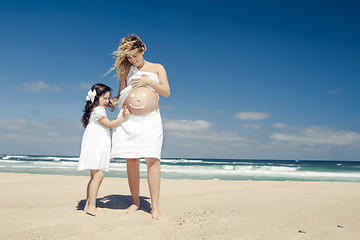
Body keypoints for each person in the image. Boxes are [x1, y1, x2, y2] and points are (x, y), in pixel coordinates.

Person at [109, 34, 170, 220]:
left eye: (135, 56)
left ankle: (155, 207)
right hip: (129, 121)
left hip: (151, 119)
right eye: (129, 57)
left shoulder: (158, 68)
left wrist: (149, 82)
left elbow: (166, 92)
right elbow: (120, 95)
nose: (132, 60)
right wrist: (103, 103)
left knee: (153, 159)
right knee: (131, 160)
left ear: (143, 50)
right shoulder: (126, 71)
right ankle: (135, 202)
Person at [78, 83, 130, 216]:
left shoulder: (96, 110)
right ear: (97, 98)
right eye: (105, 98)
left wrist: (112, 124)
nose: (107, 101)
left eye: (108, 98)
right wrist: (123, 117)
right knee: (98, 175)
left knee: (94, 176)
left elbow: (107, 126)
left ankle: (90, 204)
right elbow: (108, 125)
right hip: (96, 145)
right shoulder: (99, 110)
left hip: (95, 144)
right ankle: (91, 206)